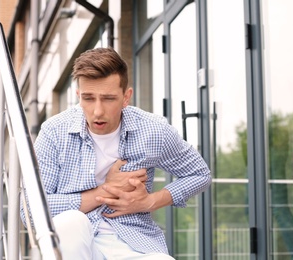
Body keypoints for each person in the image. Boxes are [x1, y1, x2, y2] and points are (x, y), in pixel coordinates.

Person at [21, 47, 212, 259]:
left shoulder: (152, 130)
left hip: (135, 242)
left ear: (126, 97)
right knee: (70, 221)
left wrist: (150, 201)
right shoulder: (54, 131)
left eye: (109, 98)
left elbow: (200, 174)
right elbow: (30, 208)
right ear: (78, 96)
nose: (98, 111)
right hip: (77, 243)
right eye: (88, 98)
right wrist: (104, 191)